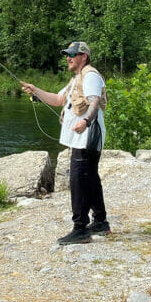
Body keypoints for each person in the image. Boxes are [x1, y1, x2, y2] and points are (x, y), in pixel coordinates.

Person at [20, 40, 109, 245]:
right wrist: (35, 91)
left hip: (87, 137)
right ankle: (100, 222)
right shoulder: (76, 79)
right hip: (81, 139)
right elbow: (58, 100)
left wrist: (85, 122)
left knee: (78, 182)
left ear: (83, 56)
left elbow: (94, 102)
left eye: (72, 54)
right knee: (90, 179)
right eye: (67, 54)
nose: (68, 58)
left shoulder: (91, 76)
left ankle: (80, 229)